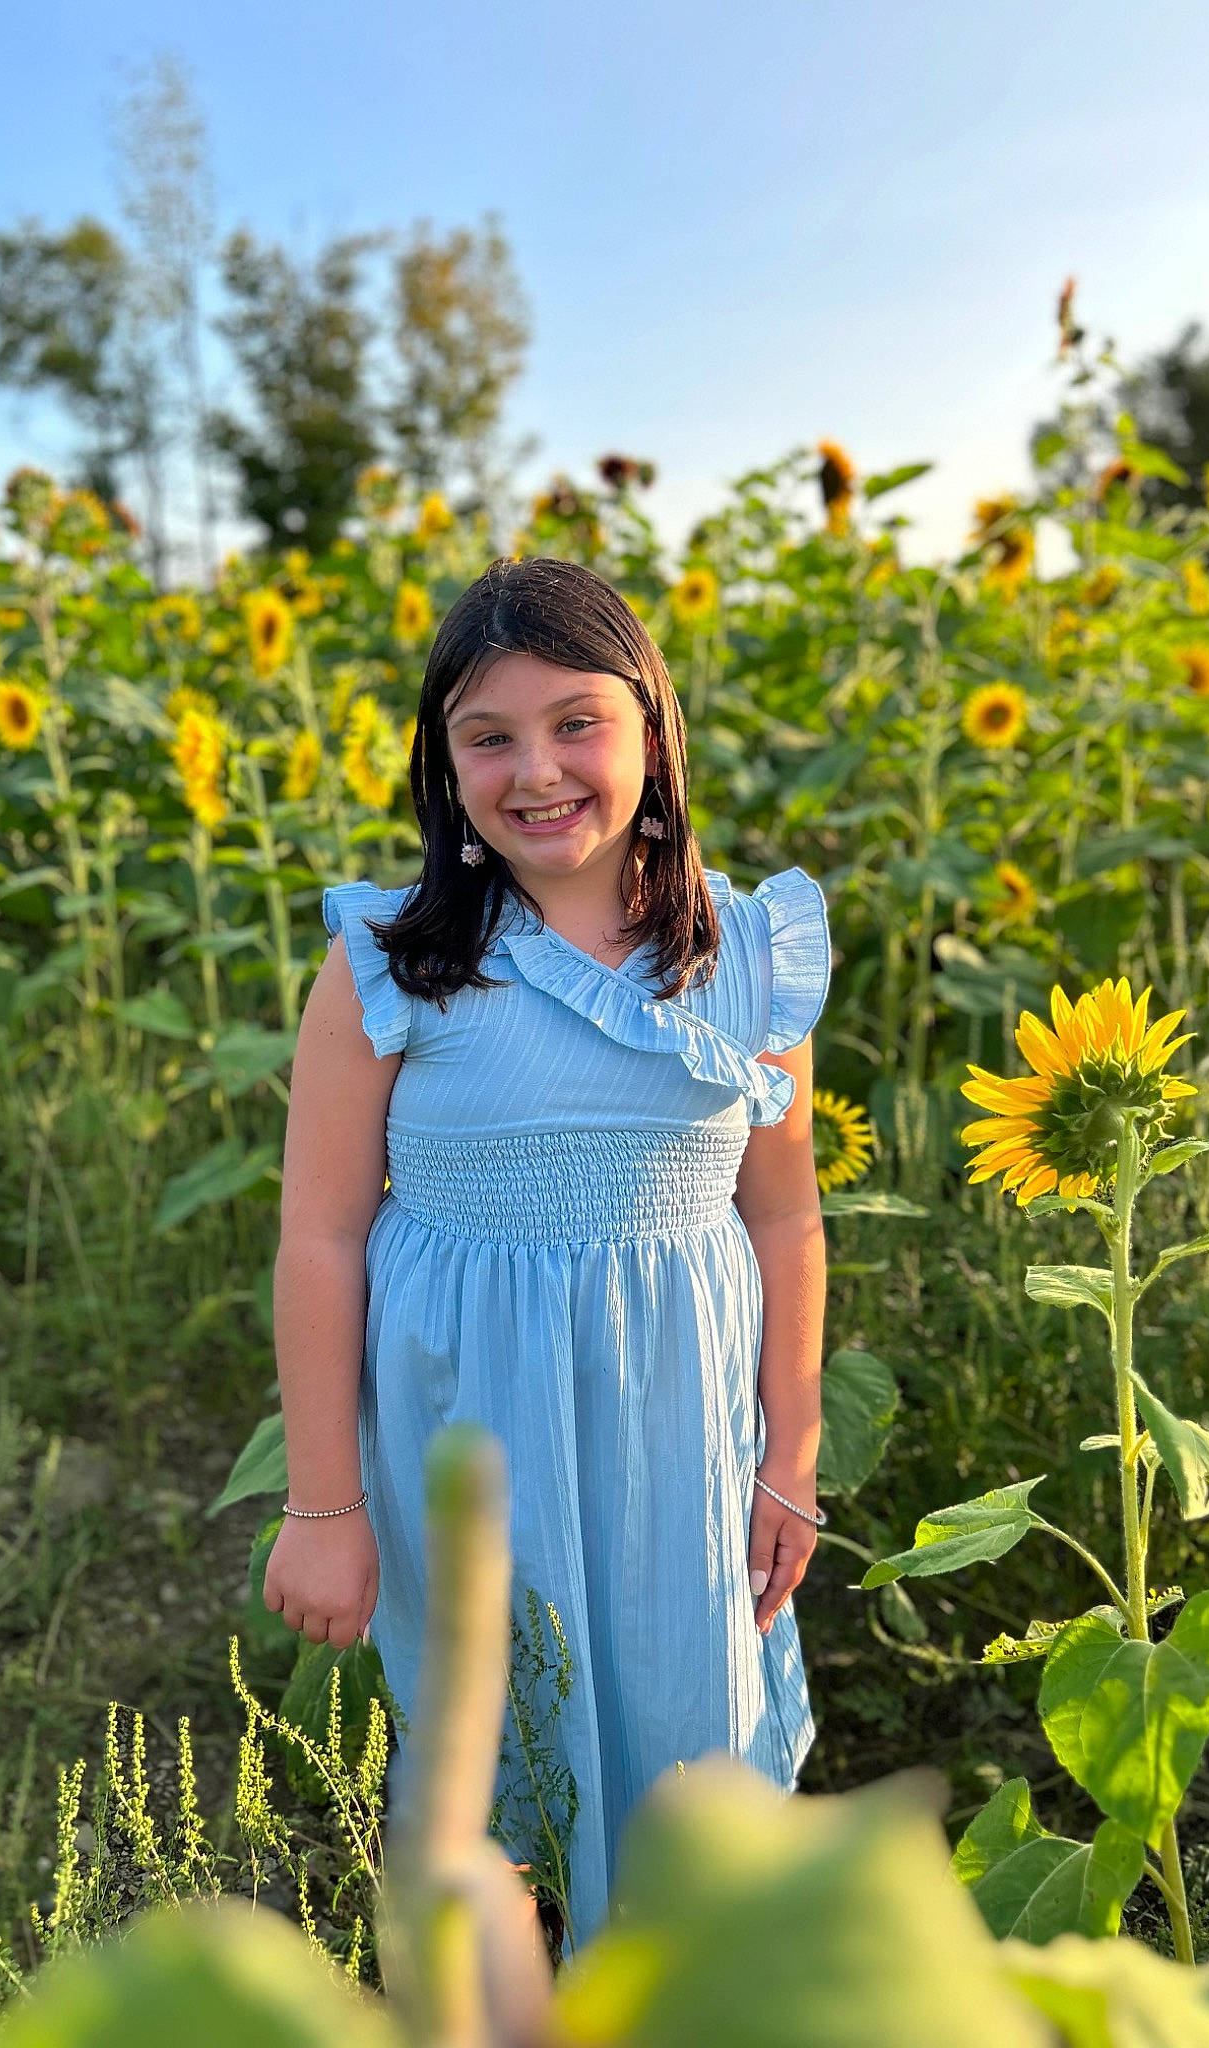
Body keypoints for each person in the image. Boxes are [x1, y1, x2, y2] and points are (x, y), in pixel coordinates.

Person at [264, 554, 831, 1954]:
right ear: (441, 760)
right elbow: (323, 1235)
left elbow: (785, 1214)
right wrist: (323, 1507)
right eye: (489, 736)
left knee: (686, 1708)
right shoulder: (391, 962)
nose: (538, 771)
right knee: (490, 1730)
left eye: (578, 722)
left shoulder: (748, 951)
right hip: (470, 1422)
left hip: (682, 1419)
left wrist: (795, 1454)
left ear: (652, 727)